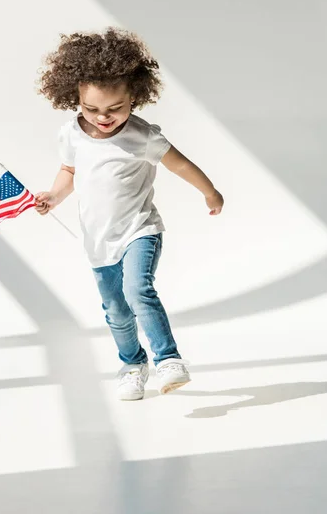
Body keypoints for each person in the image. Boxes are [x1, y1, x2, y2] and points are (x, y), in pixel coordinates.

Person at [35, 28, 224, 401]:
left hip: (140, 229)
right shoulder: (71, 134)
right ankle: (132, 365)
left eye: (115, 108)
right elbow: (70, 172)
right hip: (97, 240)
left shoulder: (142, 136)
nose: (103, 117)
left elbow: (180, 165)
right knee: (116, 310)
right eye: (92, 108)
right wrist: (53, 196)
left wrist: (209, 191)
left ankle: (168, 359)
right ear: (75, 97)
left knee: (138, 290)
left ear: (134, 98)